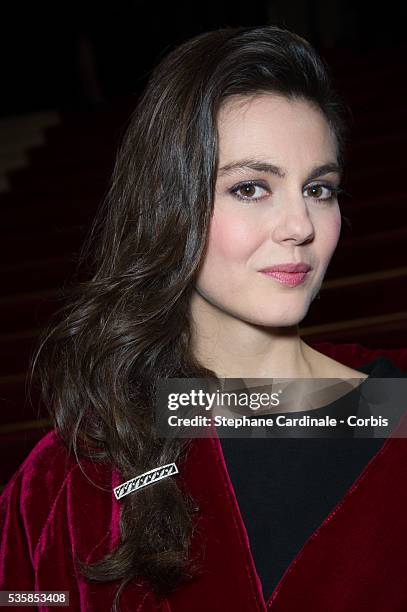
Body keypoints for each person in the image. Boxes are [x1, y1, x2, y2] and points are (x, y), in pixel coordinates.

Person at [1, 24, 407, 612]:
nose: (300, 225)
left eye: (319, 188)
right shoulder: (72, 478)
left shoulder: (393, 409)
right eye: (250, 188)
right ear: (169, 203)